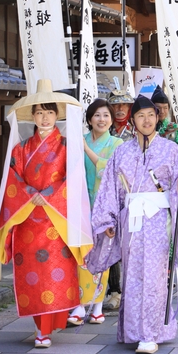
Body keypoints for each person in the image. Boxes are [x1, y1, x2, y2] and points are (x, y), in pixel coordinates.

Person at [86, 95, 178, 354]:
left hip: (158, 219)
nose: (147, 120)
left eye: (151, 115)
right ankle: (132, 331)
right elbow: (110, 189)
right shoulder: (122, 151)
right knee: (132, 275)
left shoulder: (171, 149)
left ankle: (151, 333)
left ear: (157, 118)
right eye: (141, 116)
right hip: (131, 220)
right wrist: (108, 220)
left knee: (154, 275)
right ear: (133, 121)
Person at [0, 79, 92, 349]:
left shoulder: (68, 146)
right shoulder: (20, 149)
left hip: (57, 222)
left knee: (55, 274)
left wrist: (47, 195)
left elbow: (73, 179)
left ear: (57, 115)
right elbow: (12, 181)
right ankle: (40, 330)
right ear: (32, 116)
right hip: (27, 223)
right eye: (39, 113)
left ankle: (51, 325)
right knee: (33, 277)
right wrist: (28, 194)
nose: (45, 118)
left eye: (49, 112)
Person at [68, 98, 123, 325]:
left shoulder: (117, 144)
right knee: (79, 256)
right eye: (97, 115)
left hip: (103, 208)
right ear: (89, 119)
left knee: (101, 256)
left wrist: (86, 149)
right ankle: (79, 305)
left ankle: (97, 306)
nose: (102, 119)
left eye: (106, 115)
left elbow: (108, 171)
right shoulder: (78, 140)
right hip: (79, 205)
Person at [104, 89, 135, 310]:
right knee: (110, 240)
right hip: (107, 190)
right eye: (116, 106)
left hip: (131, 192)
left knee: (131, 244)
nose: (120, 110)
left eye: (124, 105)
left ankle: (131, 288)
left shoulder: (136, 131)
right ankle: (113, 290)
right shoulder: (104, 130)